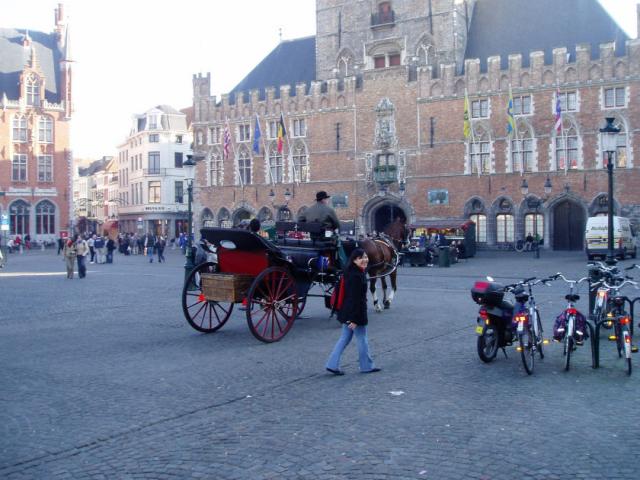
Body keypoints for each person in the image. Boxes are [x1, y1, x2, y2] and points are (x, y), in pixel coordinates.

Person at [325, 248, 381, 375]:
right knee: (362, 339)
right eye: (361, 258)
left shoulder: (348, 272)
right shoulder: (357, 276)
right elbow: (356, 299)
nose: (365, 260)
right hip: (354, 313)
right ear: (355, 260)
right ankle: (366, 366)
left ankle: (332, 364)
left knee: (344, 338)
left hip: (346, 311)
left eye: (365, 257)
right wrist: (355, 319)